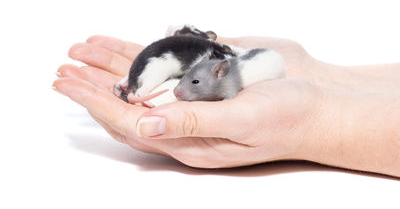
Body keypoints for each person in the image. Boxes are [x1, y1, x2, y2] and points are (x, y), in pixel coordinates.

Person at [52, 35, 400, 177]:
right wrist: (334, 81)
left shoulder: (231, 80)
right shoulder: (214, 66)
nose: (180, 91)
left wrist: (315, 125)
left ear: (220, 72)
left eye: (194, 82)